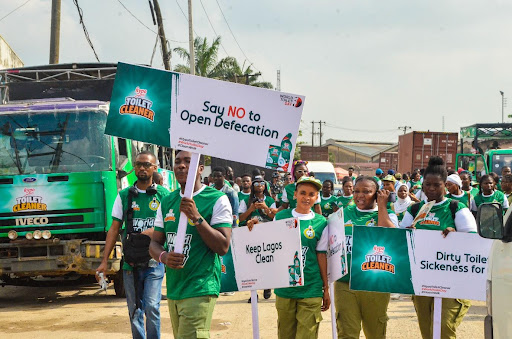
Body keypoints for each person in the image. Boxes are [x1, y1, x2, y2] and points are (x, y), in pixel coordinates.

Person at [150, 151, 233, 339]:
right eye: (178, 161)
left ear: (200, 168)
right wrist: (164, 257)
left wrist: (196, 217)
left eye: (188, 161)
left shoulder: (217, 199)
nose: (181, 165)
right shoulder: (167, 201)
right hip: (174, 288)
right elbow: (155, 243)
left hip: (200, 287)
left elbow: (223, 246)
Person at [400, 156, 476, 339]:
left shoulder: (456, 208)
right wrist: (408, 234)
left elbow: (474, 242)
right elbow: (399, 240)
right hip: (422, 281)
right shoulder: (414, 210)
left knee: (443, 330)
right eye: (427, 185)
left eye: (437, 185)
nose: (431, 189)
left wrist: (455, 235)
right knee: (428, 332)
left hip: (451, 282)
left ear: (446, 185)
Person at [97, 151, 169, 339]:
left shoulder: (164, 195)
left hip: (155, 262)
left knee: (152, 306)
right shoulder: (124, 196)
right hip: (131, 264)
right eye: (138, 164)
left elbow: (172, 225)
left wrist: (153, 233)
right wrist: (104, 261)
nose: (142, 168)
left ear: (154, 168)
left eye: (146, 164)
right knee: (135, 310)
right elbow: (113, 229)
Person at [334, 176, 398, 339]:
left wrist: (382, 207)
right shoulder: (342, 214)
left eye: (366, 192)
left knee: (375, 333)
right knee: (347, 333)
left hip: (374, 283)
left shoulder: (388, 214)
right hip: (345, 282)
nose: (359, 195)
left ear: (378, 194)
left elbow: (392, 236)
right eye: (356, 191)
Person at [271, 176, 330, 339]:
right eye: (303, 193)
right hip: (285, 289)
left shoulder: (321, 222)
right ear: (295, 194)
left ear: (316, 197)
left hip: (311, 288)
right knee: (285, 335)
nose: (307, 197)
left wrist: (326, 288)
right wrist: (253, 228)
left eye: (311, 194)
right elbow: (270, 246)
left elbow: (321, 255)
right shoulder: (281, 217)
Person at [239, 177, 277, 301]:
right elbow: (240, 218)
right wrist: (251, 209)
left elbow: (274, 216)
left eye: (262, 183)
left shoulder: (270, 200)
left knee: (266, 260)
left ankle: (267, 285)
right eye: (257, 184)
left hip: (266, 234)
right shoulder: (246, 200)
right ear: (252, 186)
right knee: (252, 264)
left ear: (265, 186)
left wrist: (265, 207)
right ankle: (253, 293)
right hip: (251, 233)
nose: (260, 185)